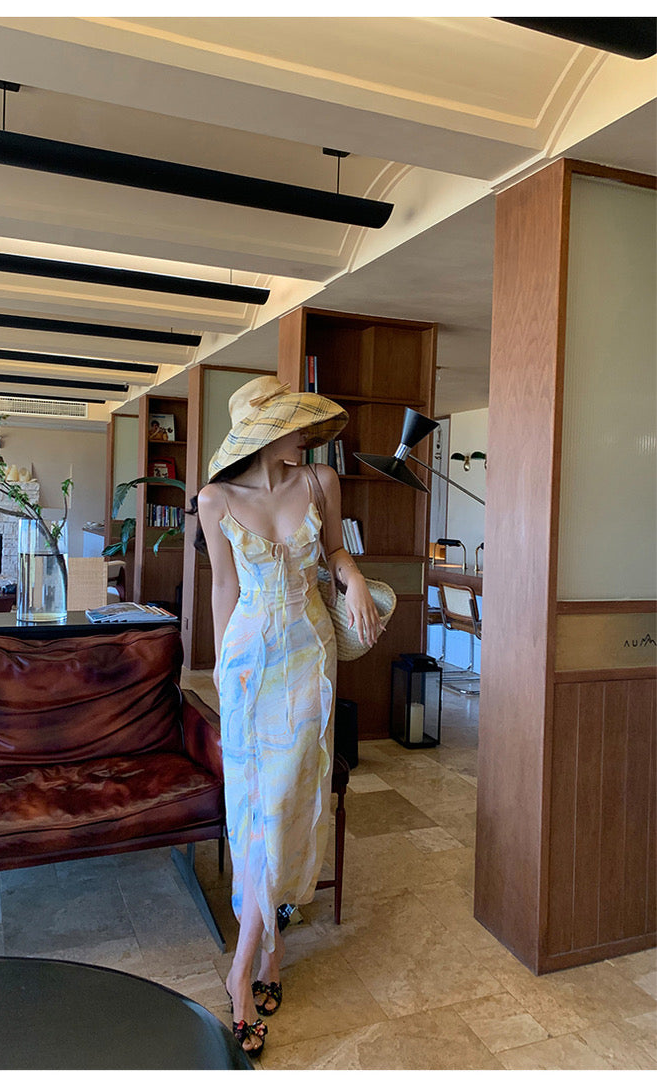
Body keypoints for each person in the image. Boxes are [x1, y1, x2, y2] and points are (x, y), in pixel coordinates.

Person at [197, 376, 385, 1057]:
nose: (305, 432)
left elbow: (334, 552)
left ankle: (245, 965)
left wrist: (354, 577)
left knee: (288, 804)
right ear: (263, 431)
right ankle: (260, 960)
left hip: (310, 659)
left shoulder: (320, 482)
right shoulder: (215, 499)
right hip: (248, 665)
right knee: (255, 810)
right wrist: (221, 673)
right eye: (293, 421)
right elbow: (223, 586)